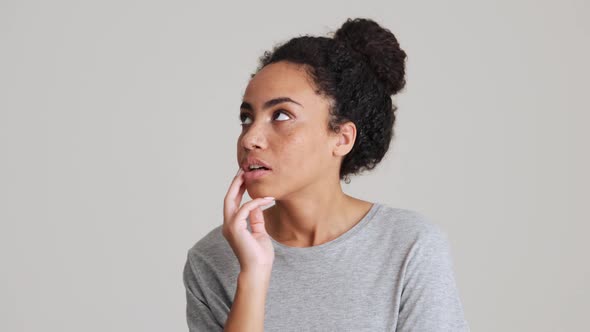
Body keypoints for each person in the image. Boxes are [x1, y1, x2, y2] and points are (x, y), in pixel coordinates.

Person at [183, 17, 470, 331]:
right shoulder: (212, 259)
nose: (250, 137)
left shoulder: (409, 245)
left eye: (280, 115)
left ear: (342, 138)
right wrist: (252, 276)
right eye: (246, 117)